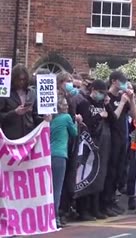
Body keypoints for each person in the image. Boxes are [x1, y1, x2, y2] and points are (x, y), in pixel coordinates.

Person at [75, 80, 114, 221]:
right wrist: (98, 116)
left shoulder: (101, 103)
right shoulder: (85, 103)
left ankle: (95, 208)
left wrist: (107, 104)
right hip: (87, 145)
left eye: (104, 93)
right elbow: (87, 123)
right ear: (94, 90)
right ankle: (83, 210)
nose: (102, 95)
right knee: (86, 175)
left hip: (101, 145)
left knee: (99, 176)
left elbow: (113, 120)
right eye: (101, 92)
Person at [102, 71, 136, 216]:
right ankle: (105, 202)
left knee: (119, 171)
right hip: (112, 138)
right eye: (121, 81)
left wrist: (132, 99)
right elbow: (113, 118)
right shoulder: (108, 97)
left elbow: (134, 116)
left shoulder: (123, 97)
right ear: (114, 81)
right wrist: (121, 102)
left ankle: (112, 201)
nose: (123, 84)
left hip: (123, 138)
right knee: (110, 171)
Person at [50, 95, 79, 227]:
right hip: (60, 155)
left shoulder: (50, 119)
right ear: (59, 106)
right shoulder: (66, 118)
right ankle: (55, 217)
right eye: (64, 105)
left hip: (48, 155)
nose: (67, 106)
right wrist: (77, 121)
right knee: (57, 188)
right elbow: (74, 133)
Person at [0, 64, 43, 139]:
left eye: (24, 79)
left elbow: (35, 115)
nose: (21, 82)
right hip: (10, 137)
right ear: (13, 79)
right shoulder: (5, 93)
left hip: (29, 137)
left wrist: (44, 119)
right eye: (19, 79)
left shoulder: (32, 93)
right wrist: (15, 112)